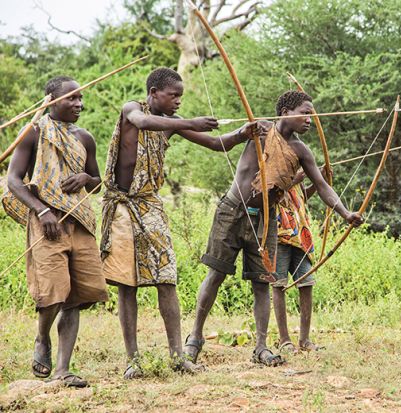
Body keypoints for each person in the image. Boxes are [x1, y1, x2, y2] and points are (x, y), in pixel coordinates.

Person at [184, 90, 363, 366]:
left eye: (312, 114)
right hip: (233, 211)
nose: (310, 120)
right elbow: (219, 144)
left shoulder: (301, 150)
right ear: (285, 113)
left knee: (262, 284)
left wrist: (345, 212)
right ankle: (194, 340)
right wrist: (243, 132)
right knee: (216, 274)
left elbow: (324, 186)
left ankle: (261, 347)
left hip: (266, 220)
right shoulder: (261, 131)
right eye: (304, 112)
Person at [100, 67, 251, 378]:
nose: (178, 101)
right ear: (154, 93)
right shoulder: (133, 110)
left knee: (166, 278)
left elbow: (215, 144)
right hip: (122, 207)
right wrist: (190, 122)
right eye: (173, 95)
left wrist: (243, 134)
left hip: (151, 205)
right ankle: (133, 360)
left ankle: (177, 356)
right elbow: (143, 122)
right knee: (127, 284)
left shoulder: (169, 124)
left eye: (181, 97)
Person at [3, 76, 109, 387]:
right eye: (71, 98)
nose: (79, 104)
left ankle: (63, 369)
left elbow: (97, 181)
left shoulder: (85, 137)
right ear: (50, 100)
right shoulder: (34, 133)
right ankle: (41, 337)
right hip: (46, 222)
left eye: (80, 98)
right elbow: (13, 180)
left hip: (81, 223)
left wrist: (84, 179)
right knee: (52, 294)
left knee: (75, 297)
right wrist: (43, 210)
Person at [272, 171, 323, 353]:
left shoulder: (295, 165)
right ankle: (285, 340)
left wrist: (319, 180)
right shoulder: (273, 165)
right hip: (279, 233)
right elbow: (270, 192)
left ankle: (305, 339)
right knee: (279, 284)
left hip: (300, 234)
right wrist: (294, 179)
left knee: (307, 282)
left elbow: (301, 197)